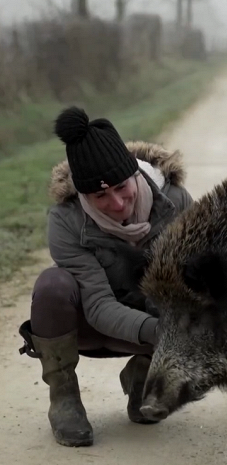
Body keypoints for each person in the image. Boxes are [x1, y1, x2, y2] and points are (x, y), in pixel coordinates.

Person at [17, 106, 193, 447]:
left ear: (135, 175)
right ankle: (64, 397)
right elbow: (97, 305)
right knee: (52, 286)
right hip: (91, 325)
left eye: (121, 187)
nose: (117, 203)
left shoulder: (175, 203)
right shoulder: (66, 220)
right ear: (84, 195)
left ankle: (146, 376)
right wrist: (160, 332)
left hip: (155, 324)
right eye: (100, 196)